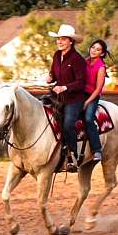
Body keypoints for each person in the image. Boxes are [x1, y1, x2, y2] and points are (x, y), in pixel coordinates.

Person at [46, 24, 87, 172]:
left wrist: (65, 87)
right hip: (57, 95)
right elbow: (53, 73)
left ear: (71, 41)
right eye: (58, 39)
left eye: (63, 39)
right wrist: (50, 77)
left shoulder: (78, 59)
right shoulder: (57, 55)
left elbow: (81, 82)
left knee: (68, 124)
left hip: (74, 99)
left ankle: (73, 156)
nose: (59, 42)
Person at [83, 39, 111, 162]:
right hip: (81, 94)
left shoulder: (101, 67)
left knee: (88, 118)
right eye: (93, 47)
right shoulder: (85, 62)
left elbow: (98, 88)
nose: (94, 50)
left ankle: (96, 149)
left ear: (102, 53)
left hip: (93, 95)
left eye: (98, 49)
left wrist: (87, 102)